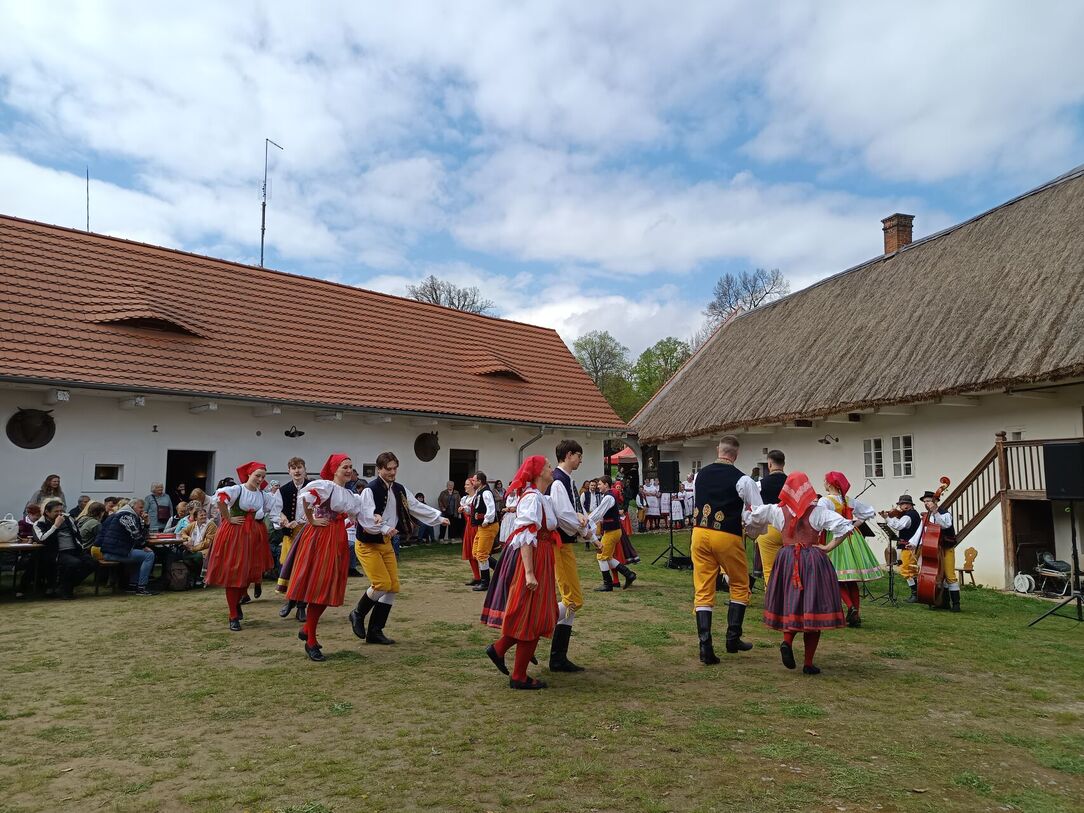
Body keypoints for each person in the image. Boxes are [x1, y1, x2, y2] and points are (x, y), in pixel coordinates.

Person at [747, 472, 855, 674]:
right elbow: (845, 526)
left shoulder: (776, 511)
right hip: (812, 559)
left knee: (792, 601)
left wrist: (754, 533)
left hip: (787, 558)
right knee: (813, 605)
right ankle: (808, 663)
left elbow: (752, 517)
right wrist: (828, 547)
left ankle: (787, 641)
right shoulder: (818, 511)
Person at [349, 451, 448, 645]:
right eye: (388, 469)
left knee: (392, 587)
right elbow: (366, 518)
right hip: (368, 543)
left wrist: (438, 518)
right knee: (382, 584)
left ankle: (375, 631)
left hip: (386, 543)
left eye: (395, 468)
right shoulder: (370, 490)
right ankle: (357, 613)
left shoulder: (400, 489)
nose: (393, 472)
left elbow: (415, 506)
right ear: (379, 470)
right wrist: (385, 527)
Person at [481, 455, 559, 689]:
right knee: (531, 615)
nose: (550, 468)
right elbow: (526, 537)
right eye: (547, 466)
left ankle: (500, 650)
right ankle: (518, 675)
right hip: (533, 557)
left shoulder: (541, 498)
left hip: (542, 555)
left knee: (538, 614)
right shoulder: (532, 499)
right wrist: (529, 573)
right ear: (538, 472)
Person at [690, 435, 763, 665]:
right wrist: (752, 531)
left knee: (703, 588)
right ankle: (733, 638)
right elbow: (758, 513)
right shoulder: (743, 479)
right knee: (740, 584)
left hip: (699, 532)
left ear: (718, 450)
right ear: (736, 454)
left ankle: (705, 647)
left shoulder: (700, 475)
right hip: (727, 535)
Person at [287, 454, 364, 661]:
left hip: (337, 538)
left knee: (328, 587)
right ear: (334, 469)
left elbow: (356, 515)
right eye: (344, 467)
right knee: (318, 587)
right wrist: (312, 520)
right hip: (320, 537)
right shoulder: (325, 486)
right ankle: (310, 640)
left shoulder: (349, 494)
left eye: (350, 466)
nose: (348, 470)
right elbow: (305, 498)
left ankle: (307, 629)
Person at [544, 439, 602, 673]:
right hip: (560, 545)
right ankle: (529, 627)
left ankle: (558, 657)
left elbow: (574, 514)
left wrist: (589, 533)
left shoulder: (565, 480)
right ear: (569, 455)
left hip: (564, 545)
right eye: (579, 456)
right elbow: (565, 517)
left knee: (571, 601)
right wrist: (586, 531)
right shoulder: (559, 481)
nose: (581, 460)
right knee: (572, 600)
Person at [206, 462, 282, 631]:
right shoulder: (237, 490)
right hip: (234, 534)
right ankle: (233, 614)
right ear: (249, 474)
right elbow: (220, 499)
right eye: (257, 475)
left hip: (252, 535)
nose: (260, 479)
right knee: (234, 573)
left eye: (263, 476)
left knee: (247, 573)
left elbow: (270, 512)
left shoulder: (263, 495)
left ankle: (239, 600)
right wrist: (228, 518)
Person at [821, 471, 881, 627]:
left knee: (835, 577)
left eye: (825, 481)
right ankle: (856, 615)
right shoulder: (849, 500)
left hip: (835, 537)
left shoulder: (825, 501)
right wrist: (853, 525)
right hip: (852, 538)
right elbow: (869, 512)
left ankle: (850, 606)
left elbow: (820, 518)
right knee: (852, 580)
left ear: (829, 484)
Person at [34, 499, 96, 599]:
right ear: (47, 512)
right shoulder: (39, 523)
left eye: (60, 511)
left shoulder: (67, 518)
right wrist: (55, 526)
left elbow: (76, 533)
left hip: (74, 549)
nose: (59, 514)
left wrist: (81, 546)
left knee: (92, 563)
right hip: (56, 552)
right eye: (56, 512)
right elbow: (42, 539)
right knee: (74, 563)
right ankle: (65, 591)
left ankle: (65, 586)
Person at [915, 489, 961, 612]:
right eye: (925, 501)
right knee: (937, 576)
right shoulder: (927, 516)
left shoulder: (945, 514)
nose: (926, 503)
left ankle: (956, 604)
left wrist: (936, 512)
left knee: (950, 575)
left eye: (929, 501)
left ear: (936, 501)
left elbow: (945, 525)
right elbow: (922, 531)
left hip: (946, 548)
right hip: (933, 548)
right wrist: (912, 543)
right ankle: (942, 601)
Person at [99, 499, 158, 595]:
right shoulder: (126, 515)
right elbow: (135, 533)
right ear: (133, 506)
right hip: (112, 552)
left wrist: (146, 523)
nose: (143, 510)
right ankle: (141, 588)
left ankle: (133, 585)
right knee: (149, 555)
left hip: (114, 551)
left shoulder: (130, 515)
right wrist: (144, 546)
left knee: (141, 556)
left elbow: (141, 535)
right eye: (140, 508)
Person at [589, 475, 638, 591]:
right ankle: (629, 574)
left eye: (600, 484)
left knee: (601, 556)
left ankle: (608, 584)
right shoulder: (607, 496)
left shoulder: (608, 497)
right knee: (608, 557)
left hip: (612, 531)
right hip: (612, 531)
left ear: (606, 485)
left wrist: (587, 520)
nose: (598, 486)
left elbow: (599, 512)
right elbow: (599, 512)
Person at [275, 457, 310, 620]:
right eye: (293, 468)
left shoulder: (313, 487)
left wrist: (306, 520)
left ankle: (301, 606)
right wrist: (284, 520)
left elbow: (320, 508)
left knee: (305, 570)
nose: (297, 471)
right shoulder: (283, 490)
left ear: (305, 469)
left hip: (309, 533)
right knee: (290, 568)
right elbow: (277, 510)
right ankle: (290, 601)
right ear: (289, 471)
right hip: (291, 534)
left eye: (299, 467)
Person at [756, 450, 788, 586]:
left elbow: (754, 507)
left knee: (769, 569)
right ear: (784, 464)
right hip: (789, 528)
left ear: (769, 464)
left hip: (768, 528)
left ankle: (772, 600)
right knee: (789, 568)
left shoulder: (760, 484)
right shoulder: (791, 483)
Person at [882, 495, 923, 602]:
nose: (900, 506)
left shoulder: (908, 516)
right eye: (900, 504)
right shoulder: (912, 514)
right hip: (914, 546)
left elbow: (899, 526)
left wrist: (887, 518)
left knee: (905, 570)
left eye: (903, 504)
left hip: (909, 546)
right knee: (912, 570)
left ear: (909, 505)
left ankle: (915, 594)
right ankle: (917, 594)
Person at [470, 471, 500, 592]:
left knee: (481, 554)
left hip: (488, 526)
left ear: (480, 481)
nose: (473, 482)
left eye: (474, 480)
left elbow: (491, 507)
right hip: (482, 527)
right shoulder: (479, 492)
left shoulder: (486, 492)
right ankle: (500, 569)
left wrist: (487, 520)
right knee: (476, 552)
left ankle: (485, 582)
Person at [180, 506, 215, 587]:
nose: (204, 517)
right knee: (184, 555)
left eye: (205, 515)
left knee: (198, 557)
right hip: (192, 549)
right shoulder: (192, 525)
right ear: (196, 518)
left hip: (207, 549)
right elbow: (183, 532)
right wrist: (188, 538)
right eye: (201, 515)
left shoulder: (211, 525)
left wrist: (194, 548)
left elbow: (208, 542)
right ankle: (194, 576)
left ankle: (199, 577)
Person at [460, 478, 480, 586]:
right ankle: (477, 576)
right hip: (469, 526)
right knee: (470, 551)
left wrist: (465, 510)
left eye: (467, 484)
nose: (465, 486)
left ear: (473, 486)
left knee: (478, 551)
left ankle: (484, 576)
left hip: (476, 526)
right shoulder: (465, 499)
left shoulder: (477, 498)